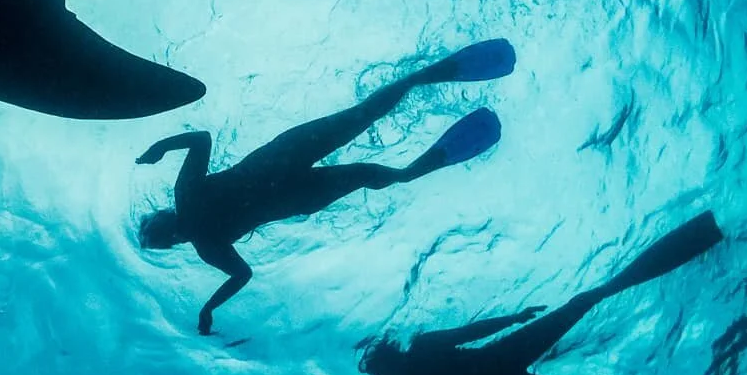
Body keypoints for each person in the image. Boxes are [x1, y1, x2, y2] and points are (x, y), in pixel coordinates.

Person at [311, 212, 747, 375]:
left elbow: (470, 332)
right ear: (388, 363)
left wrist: (515, 316)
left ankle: (698, 236)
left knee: (586, 318)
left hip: (504, 370)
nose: (388, 362)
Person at [136, 39, 515, 333]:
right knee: (364, 119)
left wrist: (210, 307)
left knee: (378, 163)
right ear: (163, 221)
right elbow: (201, 138)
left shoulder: (206, 242)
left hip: (292, 186)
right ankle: (426, 79)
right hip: (284, 164)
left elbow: (242, 276)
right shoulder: (188, 203)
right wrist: (160, 148)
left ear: (173, 240)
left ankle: (424, 154)